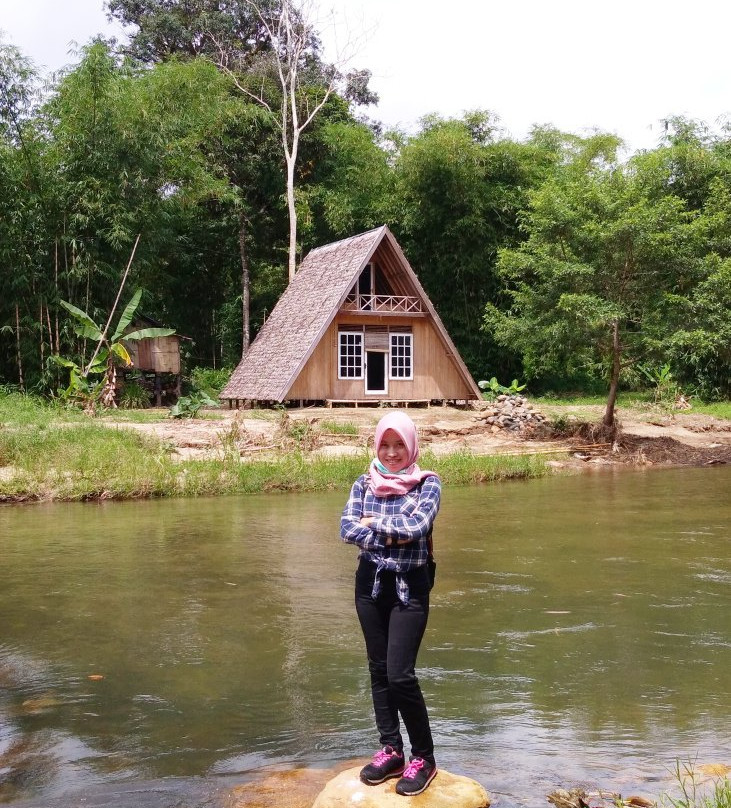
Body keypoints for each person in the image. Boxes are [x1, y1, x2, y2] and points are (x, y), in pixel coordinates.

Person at [340, 410, 440, 796]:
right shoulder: (363, 482)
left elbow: (416, 528)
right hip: (370, 585)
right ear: (376, 445)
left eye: (400, 444)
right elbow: (346, 528)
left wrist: (371, 526)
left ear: (412, 446)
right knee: (379, 671)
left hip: (410, 588)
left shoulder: (428, 485)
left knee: (401, 674)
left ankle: (424, 757)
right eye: (386, 444)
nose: (393, 452)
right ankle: (391, 750)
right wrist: (384, 533)